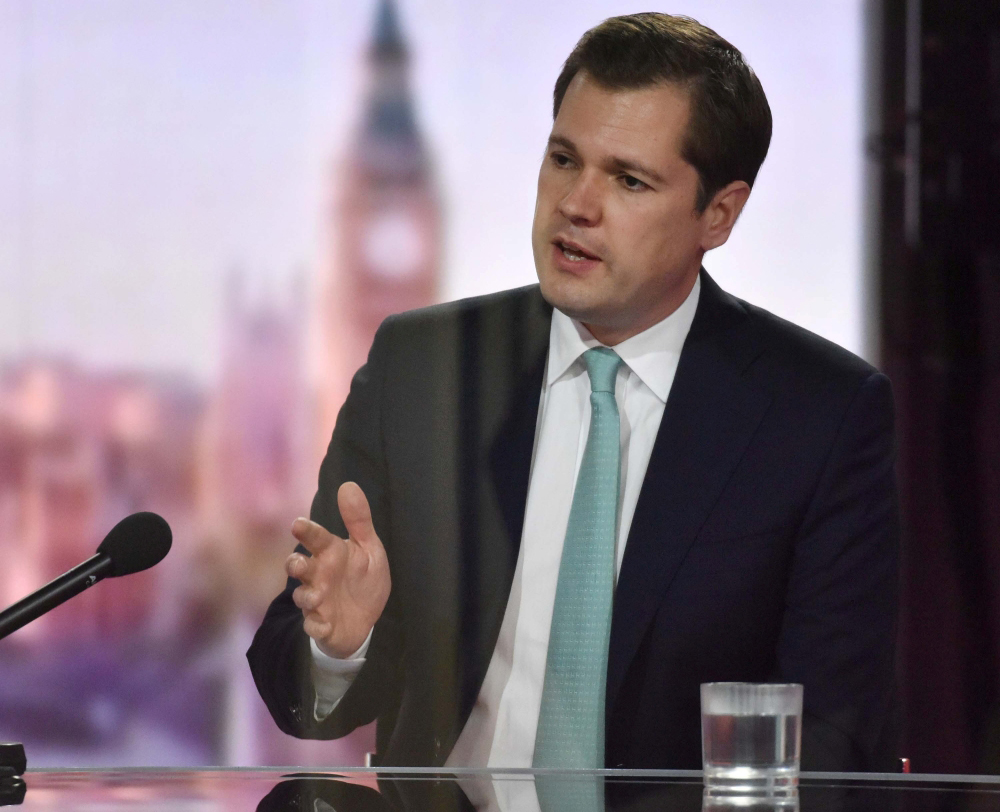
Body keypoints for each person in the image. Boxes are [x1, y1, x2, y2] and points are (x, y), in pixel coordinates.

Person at [248, 12, 899, 772]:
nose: (576, 205)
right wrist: (342, 644)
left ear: (717, 214)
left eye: (628, 179)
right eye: (564, 159)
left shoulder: (818, 415)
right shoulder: (422, 370)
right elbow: (296, 686)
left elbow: (833, 736)